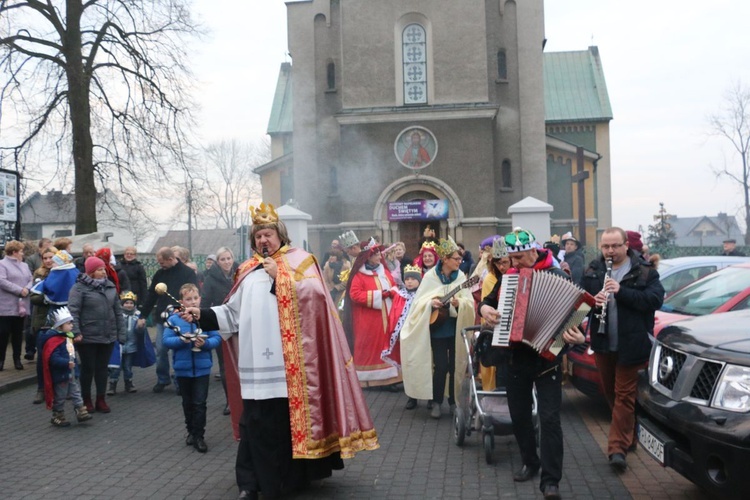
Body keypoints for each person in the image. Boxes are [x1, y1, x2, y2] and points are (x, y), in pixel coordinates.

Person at [179, 202, 378, 499]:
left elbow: (317, 300)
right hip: (254, 364)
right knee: (254, 423)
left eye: (268, 234)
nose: (263, 241)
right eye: (258, 236)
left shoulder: (302, 262)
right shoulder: (246, 270)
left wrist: (280, 277)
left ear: (280, 235)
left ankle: (287, 480)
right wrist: (200, 315)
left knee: (283, 425)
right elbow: (232, 314)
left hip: (293, 365)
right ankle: (250, 482)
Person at [479, 228, 585, 500]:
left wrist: (574, 335)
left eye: (518, 258)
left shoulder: (558, 276)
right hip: (515, 358)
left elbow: (580, 313)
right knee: (520, 416)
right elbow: (487, 302)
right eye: (510, 259)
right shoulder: (509, 278)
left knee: (550, 420)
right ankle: (530, 460)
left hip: (547, 361)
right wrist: (485, 310)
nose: (512, 264)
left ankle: (551, 481)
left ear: (533, 251)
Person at [580, 227, 664, 473]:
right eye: (605, 246)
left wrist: (622, 291)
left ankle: (617, 449)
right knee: (611, 394)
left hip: (632, 344)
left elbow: (654, 300)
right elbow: (581, 303)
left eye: (615, 246)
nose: (610, 251)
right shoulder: (593, 270)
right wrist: (592, 302)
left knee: (624, 396)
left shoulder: (645, 271)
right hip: (604, 343)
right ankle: (630, 435)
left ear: (626, 245)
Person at [400, 236, 474, 419]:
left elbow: (469, 302)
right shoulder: (431, 277)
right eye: (456, 259)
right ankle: (437, 401)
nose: (459, 262)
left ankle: (453, 402)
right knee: (441, 366)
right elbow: (418, 303)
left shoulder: (462, 277)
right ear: (445, 259)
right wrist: (430, 303)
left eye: (460, 259)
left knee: (454, 365)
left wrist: (459, 303)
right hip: (438, 329)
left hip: (455, 328)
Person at [163, 283, 221, 453]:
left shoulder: (205, 317)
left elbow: (216, 338)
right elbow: (166, 341)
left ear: (200, 299)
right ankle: (190, 431)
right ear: (181, 302)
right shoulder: (174, 320)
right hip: (182, 368)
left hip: (202, 368)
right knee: (187, 402)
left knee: (200, 403)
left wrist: (205, 344)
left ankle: (199, 436)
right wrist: (182, 340)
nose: (193, 302)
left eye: (195, 298)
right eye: (188, 299)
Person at [68, 256, 126, 413]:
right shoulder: (79, 288)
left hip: (107, 335)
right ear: (91, 272)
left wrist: (121, 333)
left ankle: (101, 399)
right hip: (87, 336)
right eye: (100, 269)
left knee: (102, 368)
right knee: (88, 368)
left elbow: (118, 312)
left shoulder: (110, 286)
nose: (103, 272)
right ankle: (86, 399)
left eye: (103, 269)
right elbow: (73, 311)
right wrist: (76, 332)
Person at [137, 246, 198, 393]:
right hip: (162, 318)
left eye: (162, 262)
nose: (160, 265)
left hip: (181, 317)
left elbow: (194, 294)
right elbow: (152, 295)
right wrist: (143, 315)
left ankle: (179, 380)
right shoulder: (159, 274)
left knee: (179, 349)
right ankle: (163, 378)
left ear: (171, 259)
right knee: (161, 349)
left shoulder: (188, 273)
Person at [343, 238, 401, 388]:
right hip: (368, 320)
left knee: (386, 345)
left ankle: (390, 378)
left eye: (379, 254)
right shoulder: (359, 275)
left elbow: (394, 286)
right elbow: (354, 294)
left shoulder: (384, 272)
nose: (379, 257)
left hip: (387, 317)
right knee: (371, 347)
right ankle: (371, 379)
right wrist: (379, 295)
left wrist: (392, 292)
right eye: (376, 254)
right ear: (368, 256)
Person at [201, 246, 239, 415]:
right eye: (223, 259)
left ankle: (244, 398)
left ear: (233, 258)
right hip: (221, 323)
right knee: (225, 365)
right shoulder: (210, 278)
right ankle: (230, 400)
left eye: (228, 258)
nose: (226, 262)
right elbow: (205, 302)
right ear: (218, 261)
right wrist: (203, 322)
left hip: (240, 322)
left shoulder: (240, 274)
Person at [40, 307, 93, 427]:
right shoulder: (54, 341)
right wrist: (66, 363)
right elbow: (53, 358)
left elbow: (71, 354)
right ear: (59, 327)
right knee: (61, 395)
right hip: (61, 374)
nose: (71, 325)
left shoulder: (67, 337)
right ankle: (57, 414)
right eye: (68, 323)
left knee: (75, 392)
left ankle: (80, 410)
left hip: (71, 372)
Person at [385, 264, 423, 410]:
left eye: (413, 279)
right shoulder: (400, 296)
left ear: (419, 281)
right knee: (409, 368)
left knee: (424, 366)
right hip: (405, 337)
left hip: (420, 336)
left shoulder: (423, 296)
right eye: (407, 279)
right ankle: (412, 397)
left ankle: (430, 397)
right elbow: (395, 315)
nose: (410, 282)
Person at [0, 240, 33, 370]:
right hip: (5, 306)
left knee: (18, 334)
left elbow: (31, 278)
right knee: (3, 334)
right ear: (14, 252)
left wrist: (27, 288)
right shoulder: (2, 264)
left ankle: (17, 359)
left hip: (21, 306)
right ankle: (1, 359)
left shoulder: (24, 266)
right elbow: (2, 281)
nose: (22, 254)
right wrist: (20, 290)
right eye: (21, 251)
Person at [107, 291, 146, 395]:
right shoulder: (118, 315)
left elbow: (139, 332)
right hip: (119, 346)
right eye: (126, 303)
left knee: (128, 367)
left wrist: (140, 326)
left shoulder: (137, 315)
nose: (129, 305)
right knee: (115, 367)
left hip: (131, 346)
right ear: (122, 304)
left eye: (131, 303)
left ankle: (128, 383)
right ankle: (112, 384)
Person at [25, 245, 57, 362]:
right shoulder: (39, 273)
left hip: (60, 317)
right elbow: (34, 296)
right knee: (43, 354)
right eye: (45, 258)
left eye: (51, 257)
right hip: (42, 317)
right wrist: (48, 298)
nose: (48, 261)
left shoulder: (63, 273)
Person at [322, 243, 350, 308]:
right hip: (330, 293)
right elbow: (325, 280)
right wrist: (330, 290)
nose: (331, 257)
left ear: (338, 257)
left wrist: (336, 288)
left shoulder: (345, 266)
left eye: (333, 256)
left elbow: (346, 282)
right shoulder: (327, 266)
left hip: (341, 293)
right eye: (330, 256)